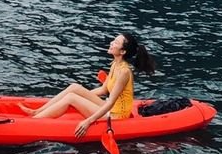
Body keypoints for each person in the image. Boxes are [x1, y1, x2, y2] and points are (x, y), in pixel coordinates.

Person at [20, 31, 157, 137]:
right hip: (110, 108)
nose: (111, 43)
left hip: (116, 116)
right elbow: (104, 89)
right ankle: (37, 112)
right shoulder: (116, 63)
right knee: (74, 88)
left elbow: (110, 103)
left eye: (115, 42)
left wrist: (88, 121)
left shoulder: (124, 72)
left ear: (122, 51)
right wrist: (82, 95)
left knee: (71, 98)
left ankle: (32, 123)